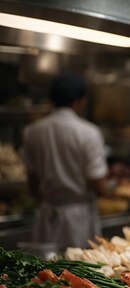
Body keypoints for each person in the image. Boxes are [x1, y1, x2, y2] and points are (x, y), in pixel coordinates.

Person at [22, 71, 108, 249]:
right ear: (79, 101)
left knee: (46, 270)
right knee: (81, 270)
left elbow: (32, 184)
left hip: (47, 213)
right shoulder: (89, 133)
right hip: (79, 218)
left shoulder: (32, 131)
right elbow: (98, 184)